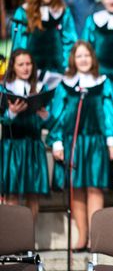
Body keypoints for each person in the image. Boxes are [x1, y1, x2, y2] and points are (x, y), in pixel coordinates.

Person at [47, 41, 113, 251]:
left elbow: (109, 113)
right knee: (75, 189)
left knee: (94, 188)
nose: (84, 60)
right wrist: (57, 141)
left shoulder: (103, 82)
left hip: (96, 142)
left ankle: (94, 239)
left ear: (93, 58)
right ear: (73, 60)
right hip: (73, 143)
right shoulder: (65, 85)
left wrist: (112, 140)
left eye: (87, 55)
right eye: (79, 56)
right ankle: (81, 236)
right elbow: (57, 115)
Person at [0, 49, 52, 220]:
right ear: (13, 66)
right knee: (12, 193)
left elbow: (50, 120)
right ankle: (14, 240)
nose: (25, 68)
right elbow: (3, 119)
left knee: (33, 193)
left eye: (28, 64)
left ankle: (29, 240)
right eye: (21, 64)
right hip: (12, 145)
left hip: (33, 145)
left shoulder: (40, 87)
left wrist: (45, 116)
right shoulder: (5, 88)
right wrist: (12, 113)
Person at [11, 0, 77, 76]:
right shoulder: (23, 12)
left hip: (57, 70)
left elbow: (70, 41)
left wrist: (67, 66)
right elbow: (19, 44)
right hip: (31, 72)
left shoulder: (63, 12)